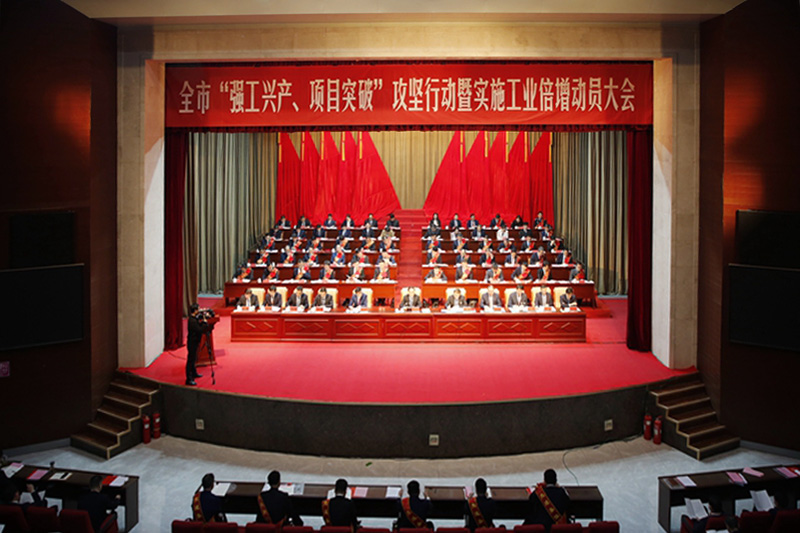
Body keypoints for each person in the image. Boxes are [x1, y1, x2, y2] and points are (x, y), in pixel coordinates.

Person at [186, 303, 209, 386]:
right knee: (191, 360)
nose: (199, 310)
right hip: (192, 342)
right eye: (198, 309)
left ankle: (194, 373)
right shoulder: (192, 321)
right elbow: (199, 330)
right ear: (195, 310)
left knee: (194, 359)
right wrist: (204, 322)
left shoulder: (194, 318)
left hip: (195, 342)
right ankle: (189, 379)